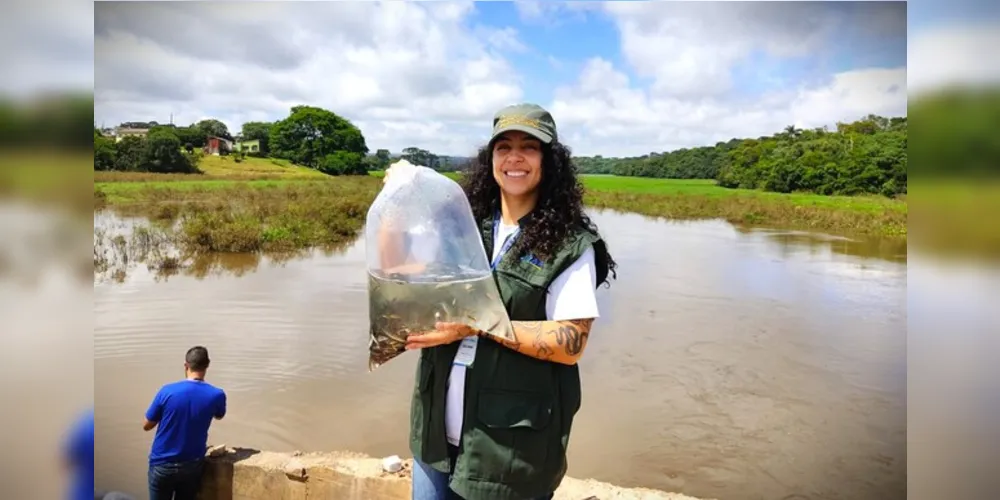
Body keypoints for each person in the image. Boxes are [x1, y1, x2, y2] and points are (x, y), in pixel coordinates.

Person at [384, 103, 618, 500]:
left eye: (529, 147)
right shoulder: (463, 224)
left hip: (507, 450)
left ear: (550, 160)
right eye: (503, 146)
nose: (514, 157)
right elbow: (399, 273)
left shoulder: (569, 243)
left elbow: (571, 341)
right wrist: (394, 201)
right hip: (434, 437)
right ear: (489, 158)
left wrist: (478, 324)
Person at [142, 346, 227, 500]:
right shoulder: (217, 395)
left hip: (162, 463)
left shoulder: (166, 391)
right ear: (207, 365)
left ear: (186, 365)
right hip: (192, 464)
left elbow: (146, 426)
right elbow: (219, 415)